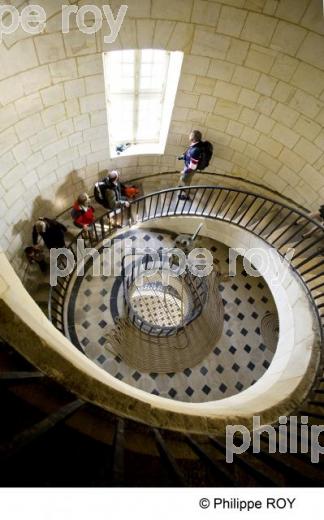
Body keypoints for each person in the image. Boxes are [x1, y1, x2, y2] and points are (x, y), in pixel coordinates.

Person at [177, 130, 203, 201]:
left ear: (193, 139)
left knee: (186, 180)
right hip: (188, 166)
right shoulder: (194, 144)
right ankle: (184, 187)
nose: (189, 136)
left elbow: (192, 166)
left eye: (190, 135)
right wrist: (182, 157)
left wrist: (184, 171)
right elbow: (189, 155)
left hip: (190, 169)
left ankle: (186, 196)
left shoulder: (195, 151)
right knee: (186, 180)